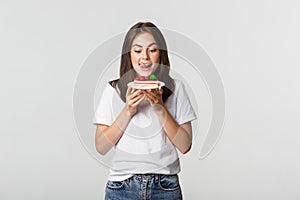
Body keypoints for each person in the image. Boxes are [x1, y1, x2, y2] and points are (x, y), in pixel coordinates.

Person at [93, 22, 197, 200]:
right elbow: (101, 147)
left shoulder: (175, 88)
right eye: (138, 50)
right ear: (129, 54)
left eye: (153, 50)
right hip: (121, 186)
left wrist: (160, 108)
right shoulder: (113, 90)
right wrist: (127, 111)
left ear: (161, 54)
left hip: (165, 186)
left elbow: (185, 145)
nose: (145, 57)